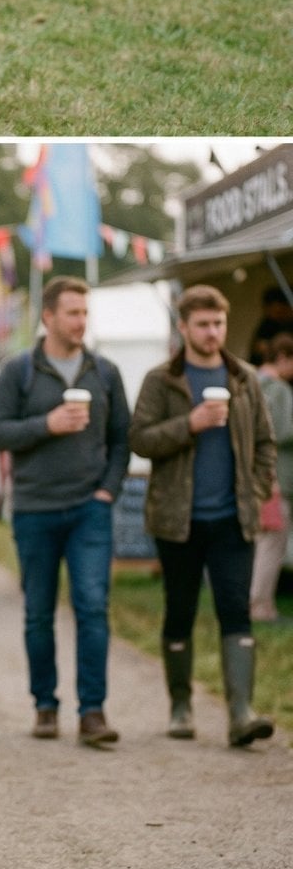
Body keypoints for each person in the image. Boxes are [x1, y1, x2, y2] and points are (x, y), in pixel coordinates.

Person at [0, 277, 130, 746]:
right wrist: (47, 424)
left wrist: (108, 490)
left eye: (85, 313)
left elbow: (122, 440)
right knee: (38, 614)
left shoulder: (105, 372)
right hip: (34, 509)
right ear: (48, 317)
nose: (81, 321)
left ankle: (93, 712)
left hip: (90, 507)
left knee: (92, 608)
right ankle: (45, 706)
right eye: (72, 313)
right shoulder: (17, 371)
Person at [129, 284, 276, 746]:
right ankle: (180, 707)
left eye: (219, 324)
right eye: (204, 325)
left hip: (234, 521)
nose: (213, 333)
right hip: (178, 520)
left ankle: (240, 713)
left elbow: (266, 444)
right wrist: (188, 425)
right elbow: (140, 439)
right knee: (180, 612)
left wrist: (254, 490)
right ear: (184, 327)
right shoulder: (162, 380)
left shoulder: (246, 378)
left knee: (237, 610)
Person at [250, 334, 293, 622]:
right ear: (283, 358)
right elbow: (282, 432)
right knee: (272, 544)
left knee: (259, 542)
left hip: (255, 476)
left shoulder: (251, 383)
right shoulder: (277, 389)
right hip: (277, 478)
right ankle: (260, 606)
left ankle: (256, 602)